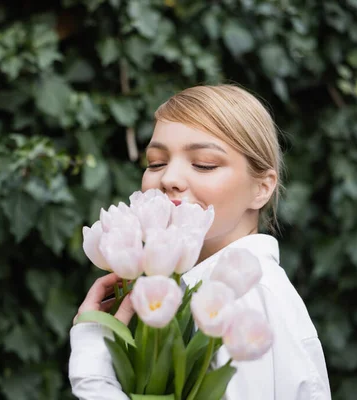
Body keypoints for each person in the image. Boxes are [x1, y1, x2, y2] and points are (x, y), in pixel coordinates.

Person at [68, 85, 331, 400]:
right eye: (155, 163)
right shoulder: (187, 291)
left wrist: (92, 371)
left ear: (262, 188)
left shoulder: (245, 298)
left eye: (204, 163)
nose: (168, 179)